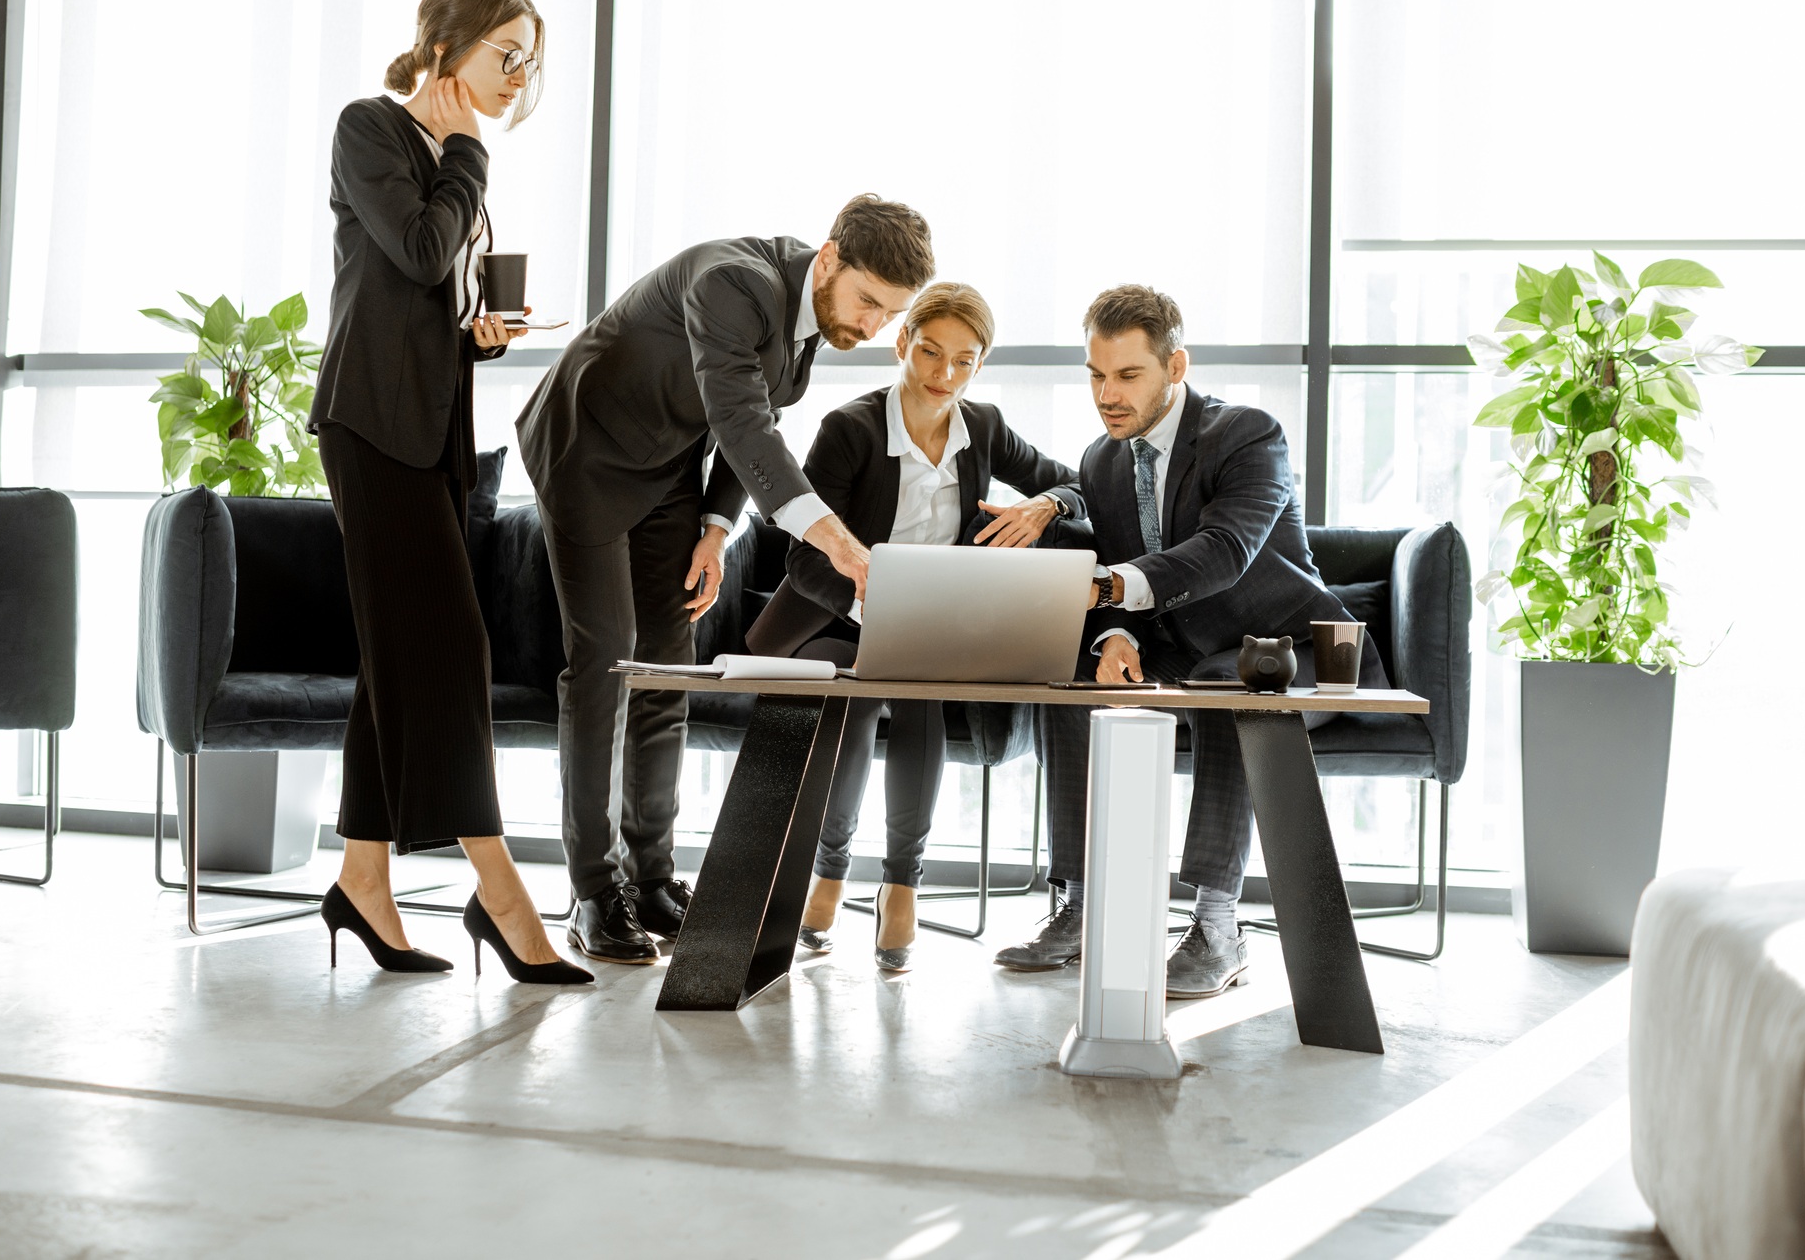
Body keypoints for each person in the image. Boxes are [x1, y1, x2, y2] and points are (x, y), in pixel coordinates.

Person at [514, 195, 935, 964]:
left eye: (890, 312)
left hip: (668, 465)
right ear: (831, 256)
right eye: (868, 301)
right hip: (586, 451)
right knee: (608, 659)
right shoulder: (734, 281)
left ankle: (652, 880)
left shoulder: (810, 329)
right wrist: (838, 542)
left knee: (669, 666)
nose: (874, 326)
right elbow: (742, 421)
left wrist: (714, 529)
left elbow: (746, 426)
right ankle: (593, 893)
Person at [308, 0, 589, 985]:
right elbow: (422, 251)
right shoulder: (372, 129)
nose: (519, 76)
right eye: (505, 53)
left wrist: (480, 334)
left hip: (429, 432)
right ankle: (499, 890)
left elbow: (430, 296)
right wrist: (465, 151)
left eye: (529, 61)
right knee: (452, 647)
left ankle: (362, 879)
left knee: (397, 656)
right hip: (368, 424)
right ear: (448, 44)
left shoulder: (452, 162)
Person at [993, 284, 1387, 998]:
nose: (1106, 394)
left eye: (1127, 375)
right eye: (1095, 375)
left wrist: (1110, 589)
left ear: (1176, 367)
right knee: (1070, 681)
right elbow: (1129, 570)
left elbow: (1224, 550)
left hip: (1285, 648)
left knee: (1230, 690)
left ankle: (1217, 928)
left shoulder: (1247, 435)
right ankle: (1081, 904)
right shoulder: (1104, 460)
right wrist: (1115, 635)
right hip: (1183, 642)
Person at [744, 283, 1084, 971]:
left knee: (917, 673)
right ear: (903, 343)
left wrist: (1045, 505)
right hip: (835, 621)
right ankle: (833, 871)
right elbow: (804, 558)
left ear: (980, 366)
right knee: (869, 683)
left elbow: (1079, 483)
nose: (943, 376)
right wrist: (873, 606)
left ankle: (901, 881)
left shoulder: (982, 429)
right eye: (930, 353)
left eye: (964, 361)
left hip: (929, 636)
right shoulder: (851, 429)